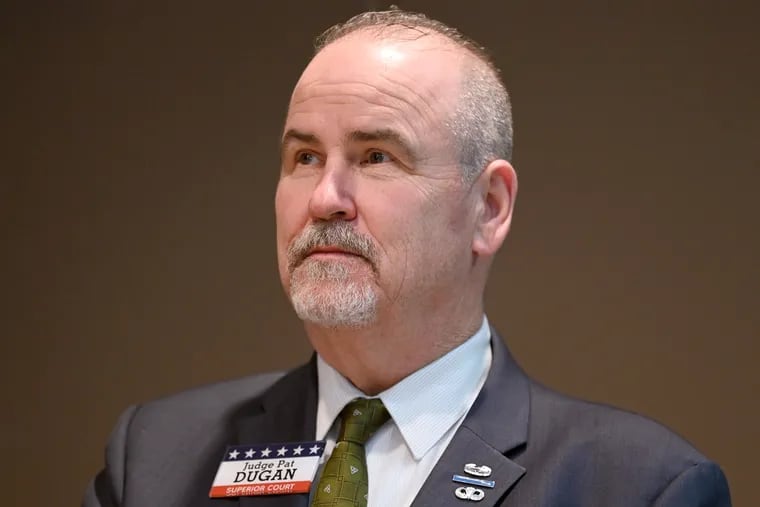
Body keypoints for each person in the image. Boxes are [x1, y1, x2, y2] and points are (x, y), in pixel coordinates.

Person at [83, 8, 731, 507]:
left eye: (376, 157)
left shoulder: (637, 485)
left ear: (489, 207)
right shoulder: (158, 456)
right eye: (304, 157)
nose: (326, 198)